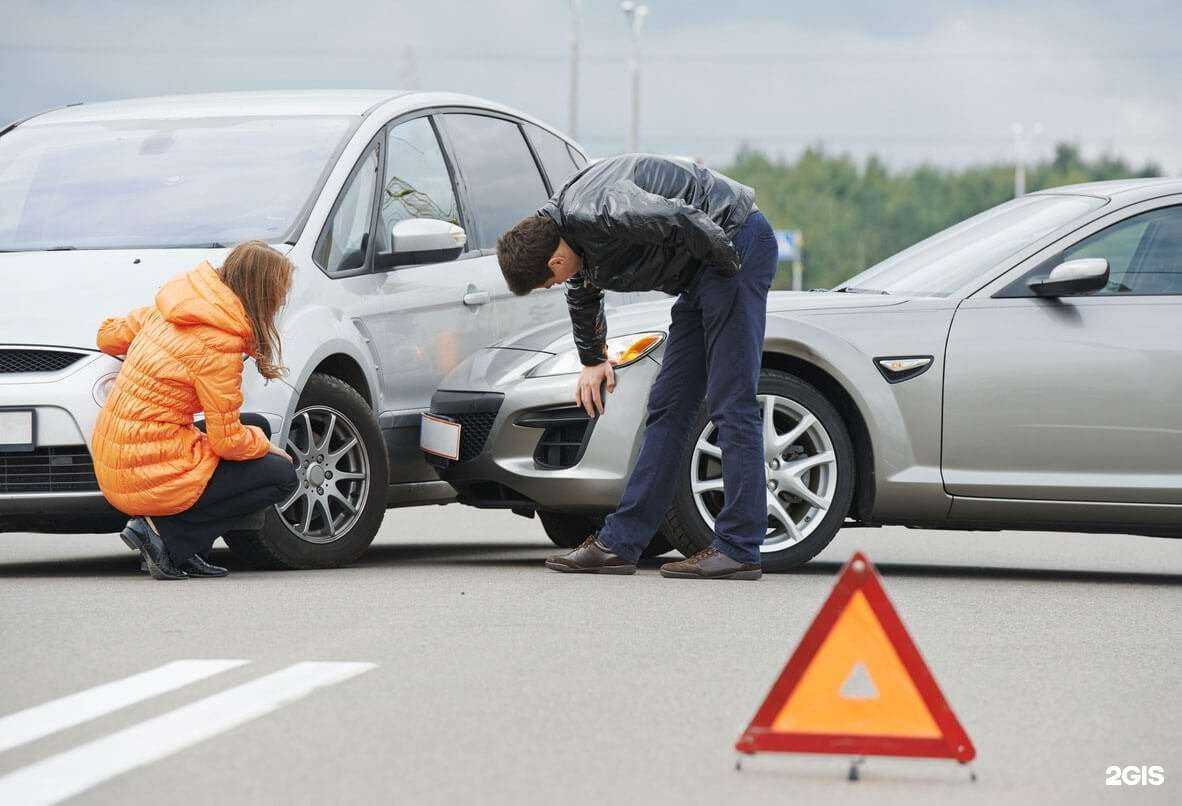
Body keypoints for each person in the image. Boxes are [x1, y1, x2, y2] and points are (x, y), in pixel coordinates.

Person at [496, 154, 777, 580]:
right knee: (667, 405)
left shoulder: (600, 211)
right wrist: (592, 359)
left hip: (732, 246)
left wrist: (730, 274)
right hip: (704, 270)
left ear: (553, 261)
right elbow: (583, 290)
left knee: (730, 400)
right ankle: (620, 544)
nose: (557, 284)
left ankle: (739, 547)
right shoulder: (567, 232)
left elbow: (682, 218)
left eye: (549, 281)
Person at [92, 241, 299, 580]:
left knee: (256, 424)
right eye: (280, 293)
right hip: (144, 467)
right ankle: (165, 536)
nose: (281, 302)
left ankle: (186, 549)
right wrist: (265, 446)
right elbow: (227, 441)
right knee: (282, 475)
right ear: (263, 293)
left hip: (115, 451)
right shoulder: (220, 343)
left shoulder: (175, 307)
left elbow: (106, 336)